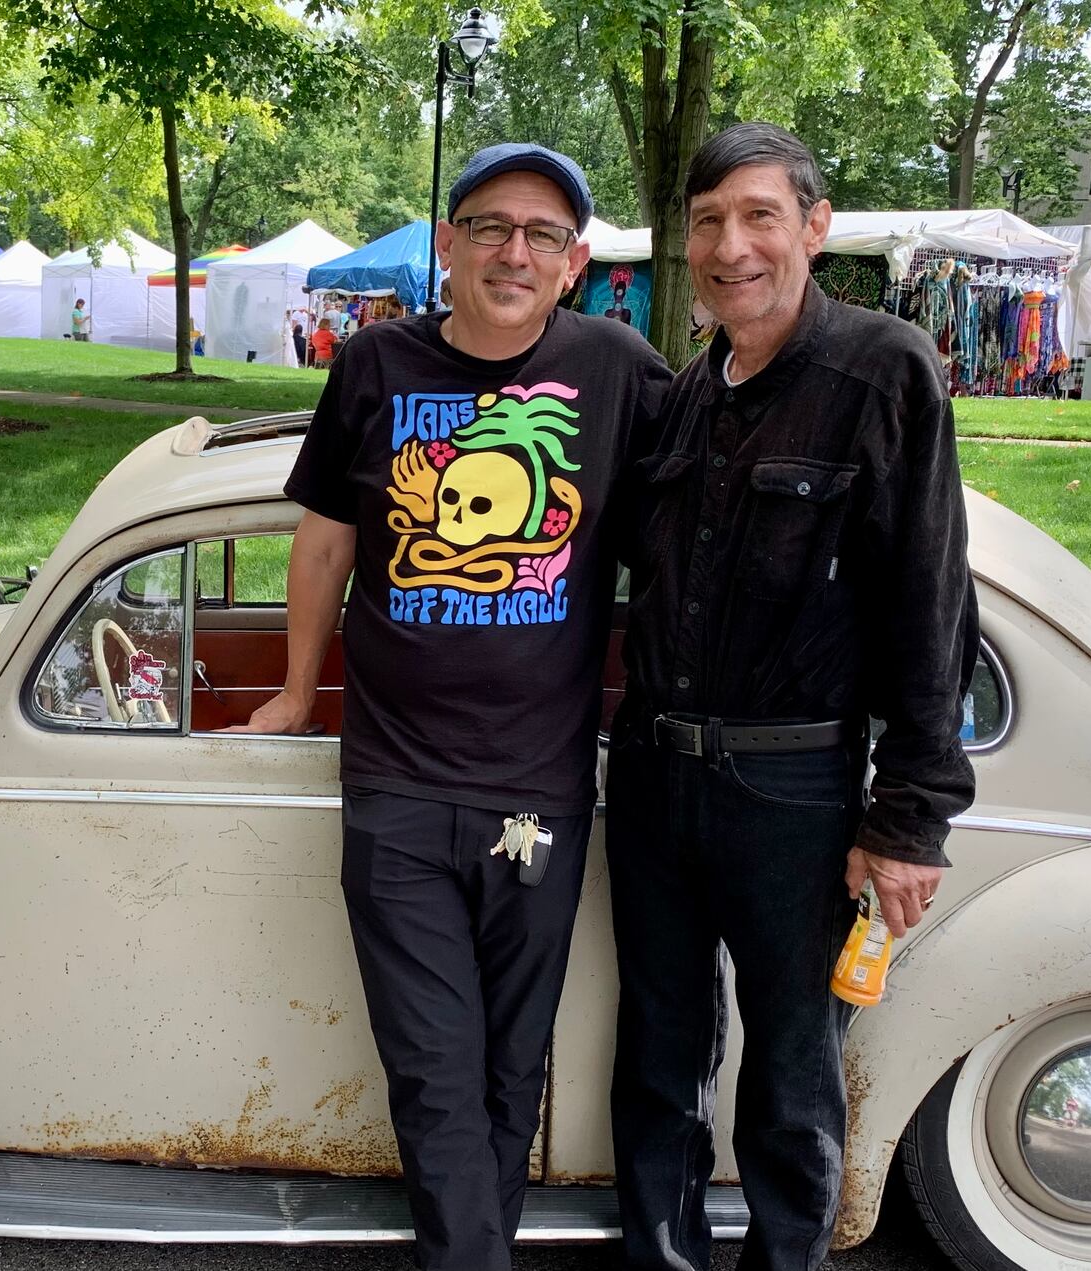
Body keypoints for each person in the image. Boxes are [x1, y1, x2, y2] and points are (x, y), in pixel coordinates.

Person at [231, 142, 670, 1271]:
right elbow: (326, 538)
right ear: (447, 245)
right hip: (396, 784)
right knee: (431, 1057)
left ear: (573, 263)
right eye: (488, 227)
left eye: (539, 235)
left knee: (508, 1063)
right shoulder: (376, 362)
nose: (511, 252)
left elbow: (694, 527)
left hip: (541, 788)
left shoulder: (619, 369)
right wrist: (292, 691)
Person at [608, 121, 978, 1271]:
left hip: (797, 787)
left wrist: (910, 811)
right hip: (655, 774)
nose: (730, 246)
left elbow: (930, 601)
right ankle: (659, 1258)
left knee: (791, 1066)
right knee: (659, 1052)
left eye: (759, 215)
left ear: (813, 226)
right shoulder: (681, 397)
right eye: (709, 221)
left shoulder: (882, 369)